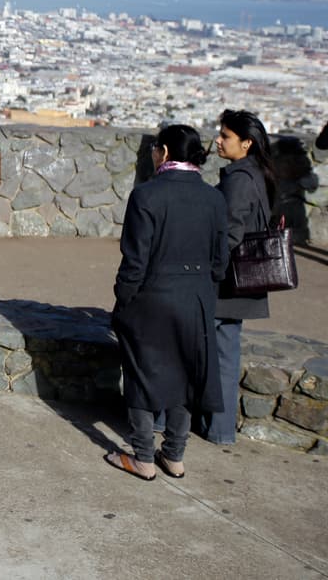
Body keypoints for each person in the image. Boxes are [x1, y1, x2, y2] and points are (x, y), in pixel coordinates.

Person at [106, 124, 227, 481]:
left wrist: (123, 298)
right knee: (187, 377)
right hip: (197, 298)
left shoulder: (146, 195)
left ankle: (143, 456)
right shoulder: (214, 198)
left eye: (155, 148)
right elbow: (220, 261)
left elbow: (135, 260)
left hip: (152, 296)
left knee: (141, 374)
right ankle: (174, 455)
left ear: (165, 152)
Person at [198, 109, 276, 445]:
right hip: (240, 283)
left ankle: (213, 428)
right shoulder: (253, 173)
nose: (218, 140)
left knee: (213, 355)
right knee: (224, 355)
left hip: (227, 283)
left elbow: (229, 234)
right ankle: (219, 429)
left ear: (247, 143)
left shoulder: (240, 180)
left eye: (225, 136)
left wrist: (207, 272)